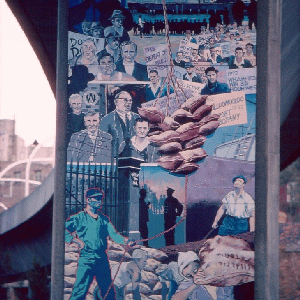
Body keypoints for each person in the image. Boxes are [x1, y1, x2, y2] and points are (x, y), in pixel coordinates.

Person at [65, 188, 131, 300]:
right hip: (87, 259)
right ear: (88, 200)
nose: (100, 201)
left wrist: (126, 241)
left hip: (102, 259)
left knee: (108, 292)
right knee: (79, 291)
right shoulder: (79, 218)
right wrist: (75, 240)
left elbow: (114, 235)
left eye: (101, 198)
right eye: (97, 198)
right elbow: (61, 230)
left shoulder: (104, 219)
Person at [99, 90, 139, 156]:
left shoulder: (137, 118)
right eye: (125, 100)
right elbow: (102, 142)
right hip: (115, 158)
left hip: (135, 157)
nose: (128, 103)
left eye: (130, 100)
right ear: (116, 102)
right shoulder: (106, 119)